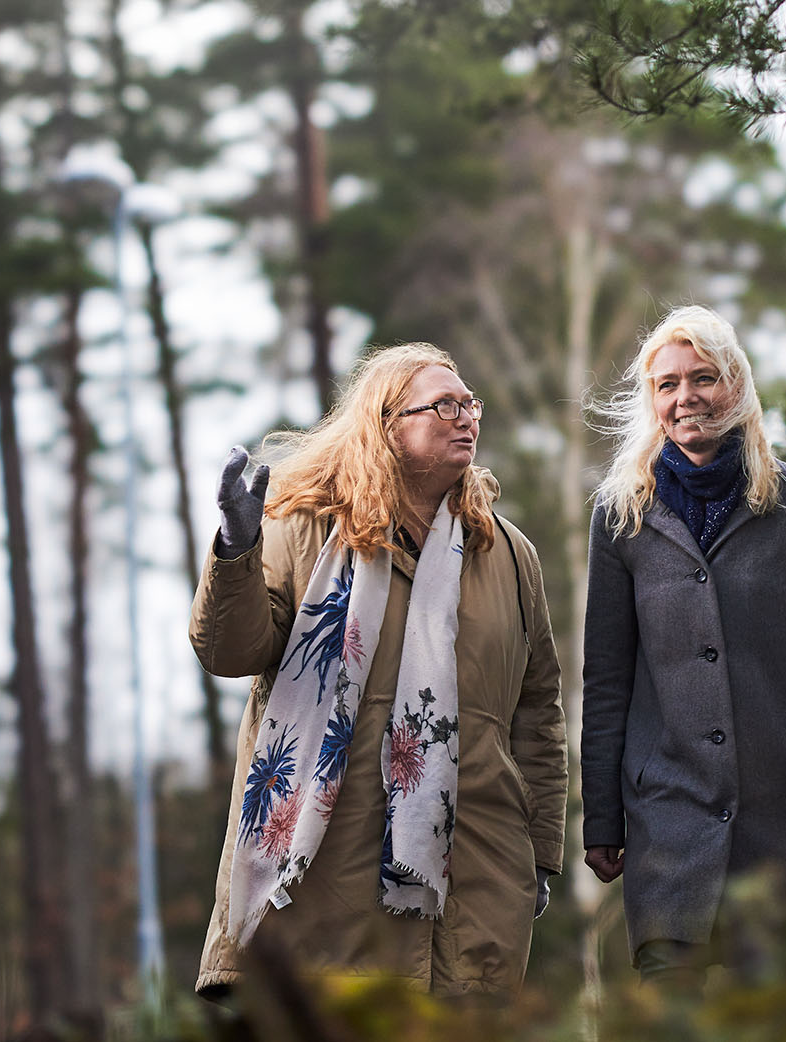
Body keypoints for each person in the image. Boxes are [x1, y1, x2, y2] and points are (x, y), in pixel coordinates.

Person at [189, 343, 567, 1000]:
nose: (466, 417)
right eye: (443, 406)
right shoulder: (304, 526)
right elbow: (229, 653)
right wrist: (237, 550)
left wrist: (538, 851)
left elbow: (538, 710)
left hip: (476, 880)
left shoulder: (507, 552)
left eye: (469, 403)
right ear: (387, 424)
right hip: (324, 887)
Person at [581, 304, 786, 989]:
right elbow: (606, 678)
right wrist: (602, 813)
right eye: (667, 384)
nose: (686, 396)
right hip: (670, 825)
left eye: (704, 377)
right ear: (651, 400)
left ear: (737, 385)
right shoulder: (620, 517)